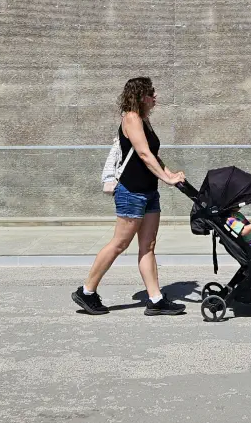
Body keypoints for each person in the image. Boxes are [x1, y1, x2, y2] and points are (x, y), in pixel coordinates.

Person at [73, 77, 187, 316]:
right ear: (140, 96)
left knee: (148, 246)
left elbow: (153, 155)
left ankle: (155, 299)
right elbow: (144, 154)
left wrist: (170, 174)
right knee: (119, 244)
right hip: (131, 192)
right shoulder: (131, 118)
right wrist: (167, 179)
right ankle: (87, 291)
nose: (155, 98)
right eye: (151, 94)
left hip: (149, 191)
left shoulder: (145, 121)